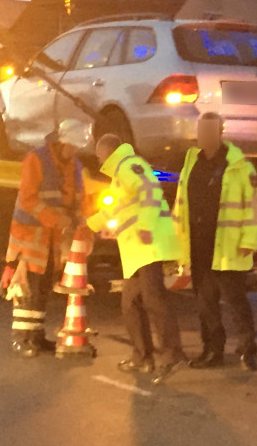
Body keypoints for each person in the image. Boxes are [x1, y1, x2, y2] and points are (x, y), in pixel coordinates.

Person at [84, 134, 187, 385]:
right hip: (138, 249)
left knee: (153, 298)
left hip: (147, 245)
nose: (98, 161)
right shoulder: (123, 173)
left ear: (108, 152)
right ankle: (143, 357)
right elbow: (117, 208)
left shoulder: (129, 166)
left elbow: (150, 192)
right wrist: (90, 225)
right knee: (130, 302)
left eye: (99, 156)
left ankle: (172, 355)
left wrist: (144, 226)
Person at [173, 111, 257, 371]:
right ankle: (212, 350)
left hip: (229, 245)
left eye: (210, 132)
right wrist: (176, 244)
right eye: (201, 132)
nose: (204, 137)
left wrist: (249, 240)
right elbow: (181, 204)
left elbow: (253, 206)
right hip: (199, 245)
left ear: (221, 133)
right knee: (205, 303)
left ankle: (248, 350)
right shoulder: (191, 161)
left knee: (236, 301)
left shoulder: (239, 166)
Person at [0, 119, 91, 358]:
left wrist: (82, 223)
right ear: (60, 141)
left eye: (77, 148)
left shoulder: (75, 166)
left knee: (43, 288)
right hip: (29, 236)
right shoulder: (35, 160)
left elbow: (79, 199)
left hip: (53, 239)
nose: (74, 151)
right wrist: (57, 220)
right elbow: (29, 199)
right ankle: (21, 338)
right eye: (71, 146)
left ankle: (36, 336)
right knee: (26, 288)